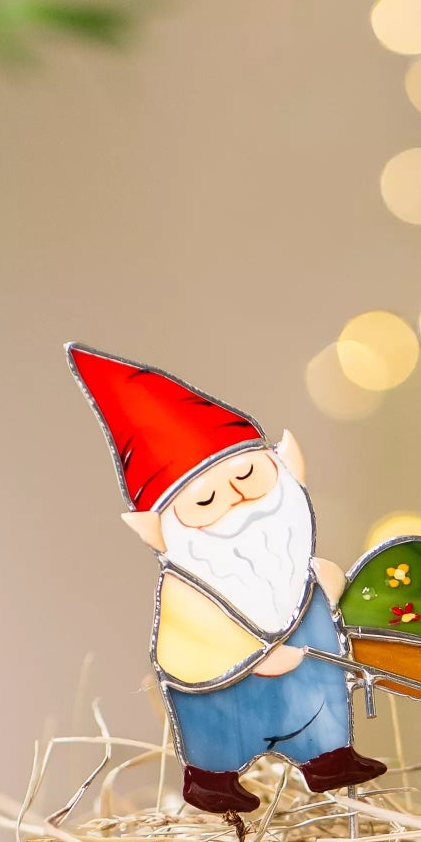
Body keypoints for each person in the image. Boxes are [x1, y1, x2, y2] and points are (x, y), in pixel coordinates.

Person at [66, 344, 386, 816]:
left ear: (282, 465)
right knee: (218, 721)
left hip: (304, 671)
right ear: (159, 529)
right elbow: (187, 643)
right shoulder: (187, 585)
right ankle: (212, 780)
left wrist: (328, 587)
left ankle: (327, 755)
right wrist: (255, 659)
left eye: (248, 476)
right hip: (232, 690)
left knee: (319, 668)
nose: (235, 500)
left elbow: (312, 589)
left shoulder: (288, 547)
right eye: (205, 500)